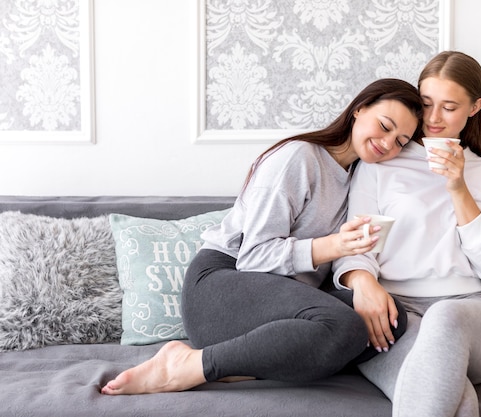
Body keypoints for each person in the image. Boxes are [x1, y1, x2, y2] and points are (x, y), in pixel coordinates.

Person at [100, 78, 422, 395]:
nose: (388, 142)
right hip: (220, 288)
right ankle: (189, 364)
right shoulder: (301, 158)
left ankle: (239, 368)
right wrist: (333, 245)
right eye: (385, 125)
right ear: (359, 109)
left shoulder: (356, 181)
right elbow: (252, 257)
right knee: (344, 326)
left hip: (277, 309)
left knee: (390, 317)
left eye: (401, 141)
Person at [332, 51, 481, 417]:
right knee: (461, 403)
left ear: (474, 107)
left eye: (449, 107)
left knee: (444, 317)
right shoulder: (382, 163)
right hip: (394, 317)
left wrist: (458, 187)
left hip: (470, 315)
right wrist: (361, 282)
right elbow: (355, 245)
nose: (433, 119)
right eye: (426, 104)